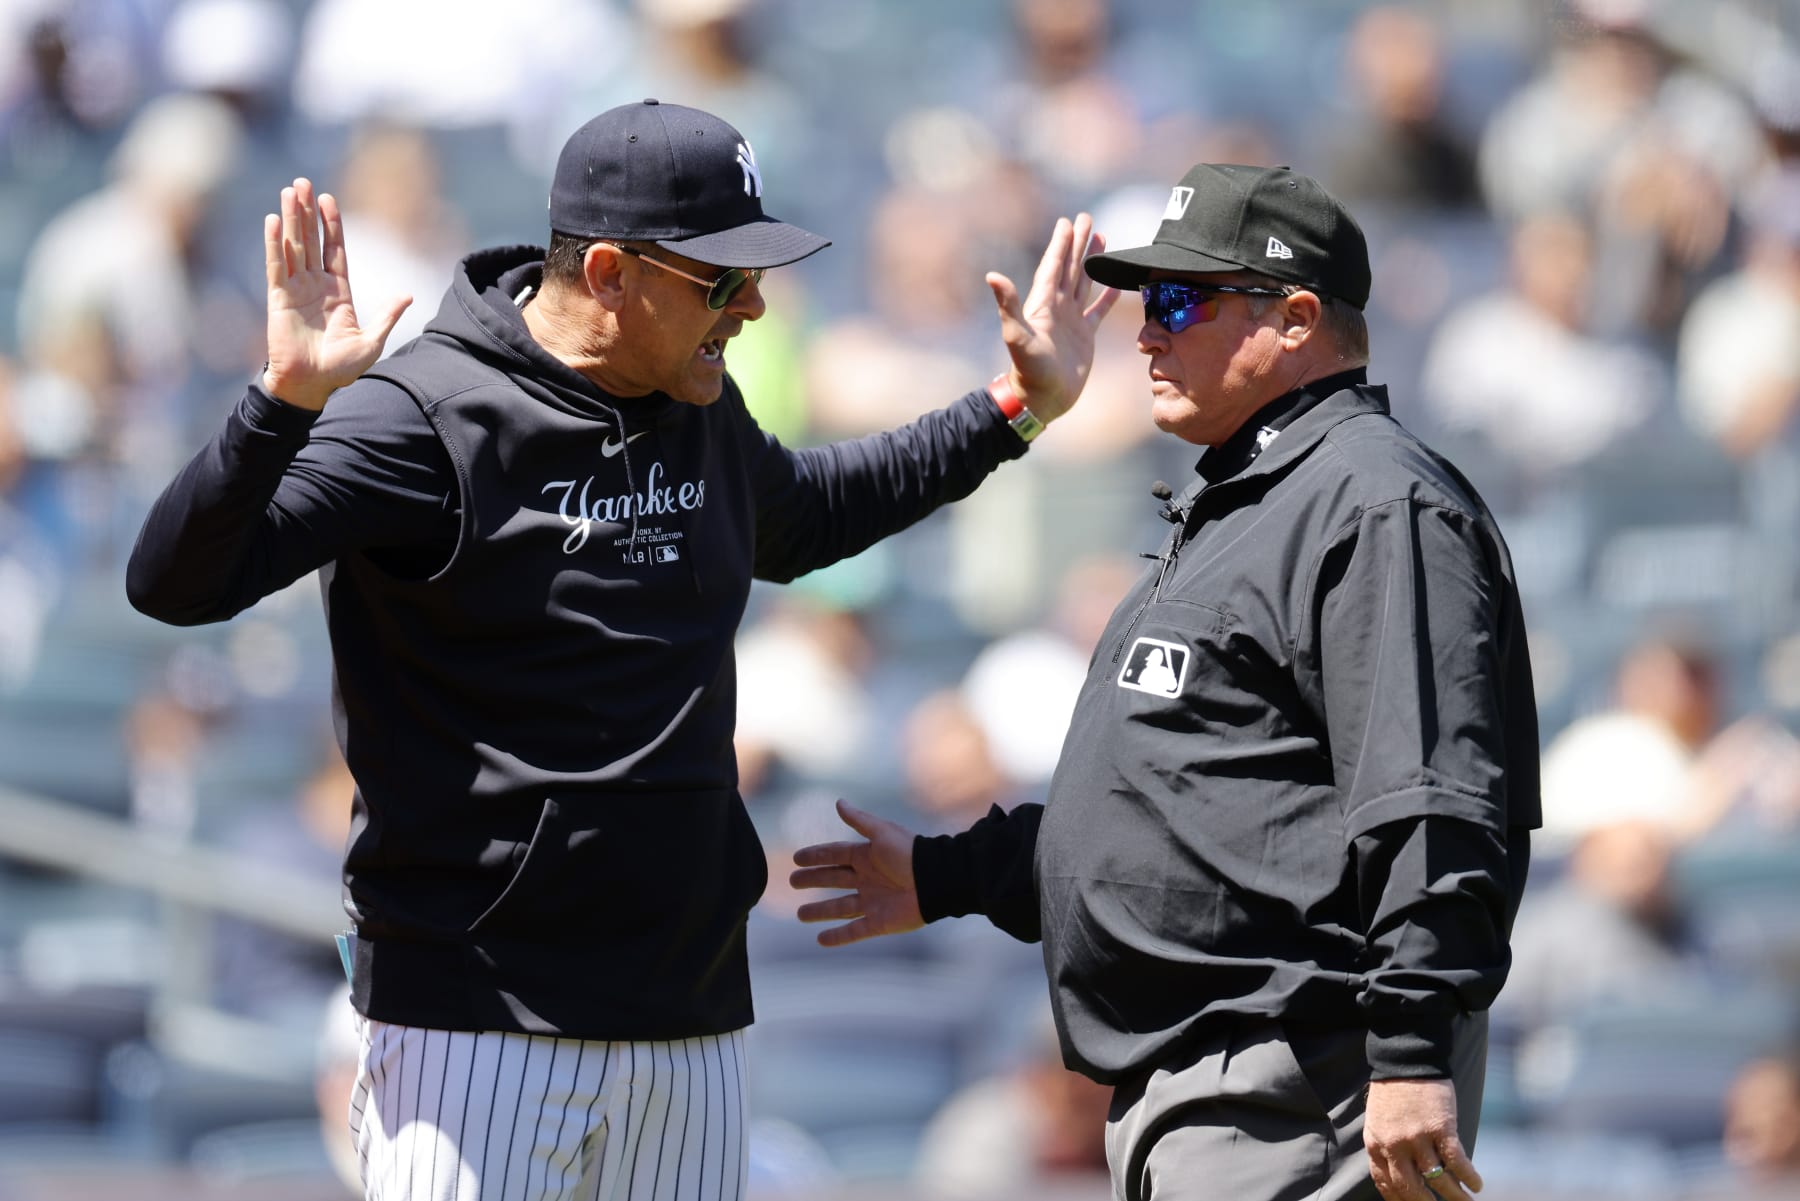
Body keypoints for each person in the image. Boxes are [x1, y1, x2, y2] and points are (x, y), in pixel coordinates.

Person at [125, 98, 1118, 1201]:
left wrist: (1019, 406)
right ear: (606, 271)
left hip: (690, 1017)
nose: (752, 305)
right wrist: (285, 402)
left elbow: (811, 514)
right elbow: (176, 582)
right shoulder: (427, 416)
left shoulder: (688, 394)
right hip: (481, 1024)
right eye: (720, 280)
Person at [793, 163, 1541, 1201]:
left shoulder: (1375, 500)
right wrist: (955, 873)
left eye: (1182, 301)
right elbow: (1187, 820)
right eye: (1150, 301)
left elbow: (1431, 798)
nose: (1147, 331)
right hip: (1218, 1091)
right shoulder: (1248, 503)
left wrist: (1411, 1051)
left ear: (1296, 319)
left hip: (1300, 1081)